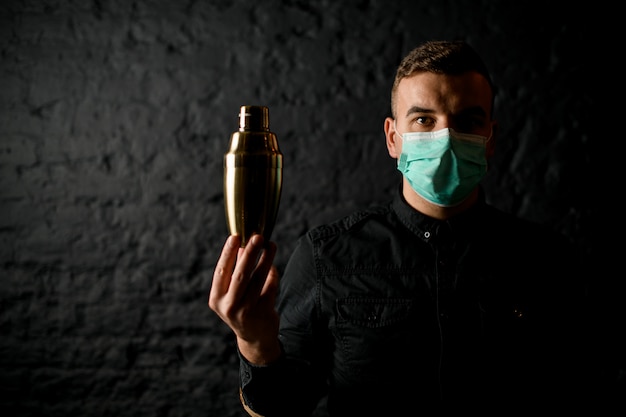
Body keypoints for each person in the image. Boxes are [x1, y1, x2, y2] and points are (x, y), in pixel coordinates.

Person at [209, 40, 598, 416]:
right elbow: (283, 407)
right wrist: (255, 341)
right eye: (424, 119)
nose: (445, 138)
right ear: (393, 138)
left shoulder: (548, 260)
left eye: (467, 121)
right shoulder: (325, 258)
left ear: (490, 139)